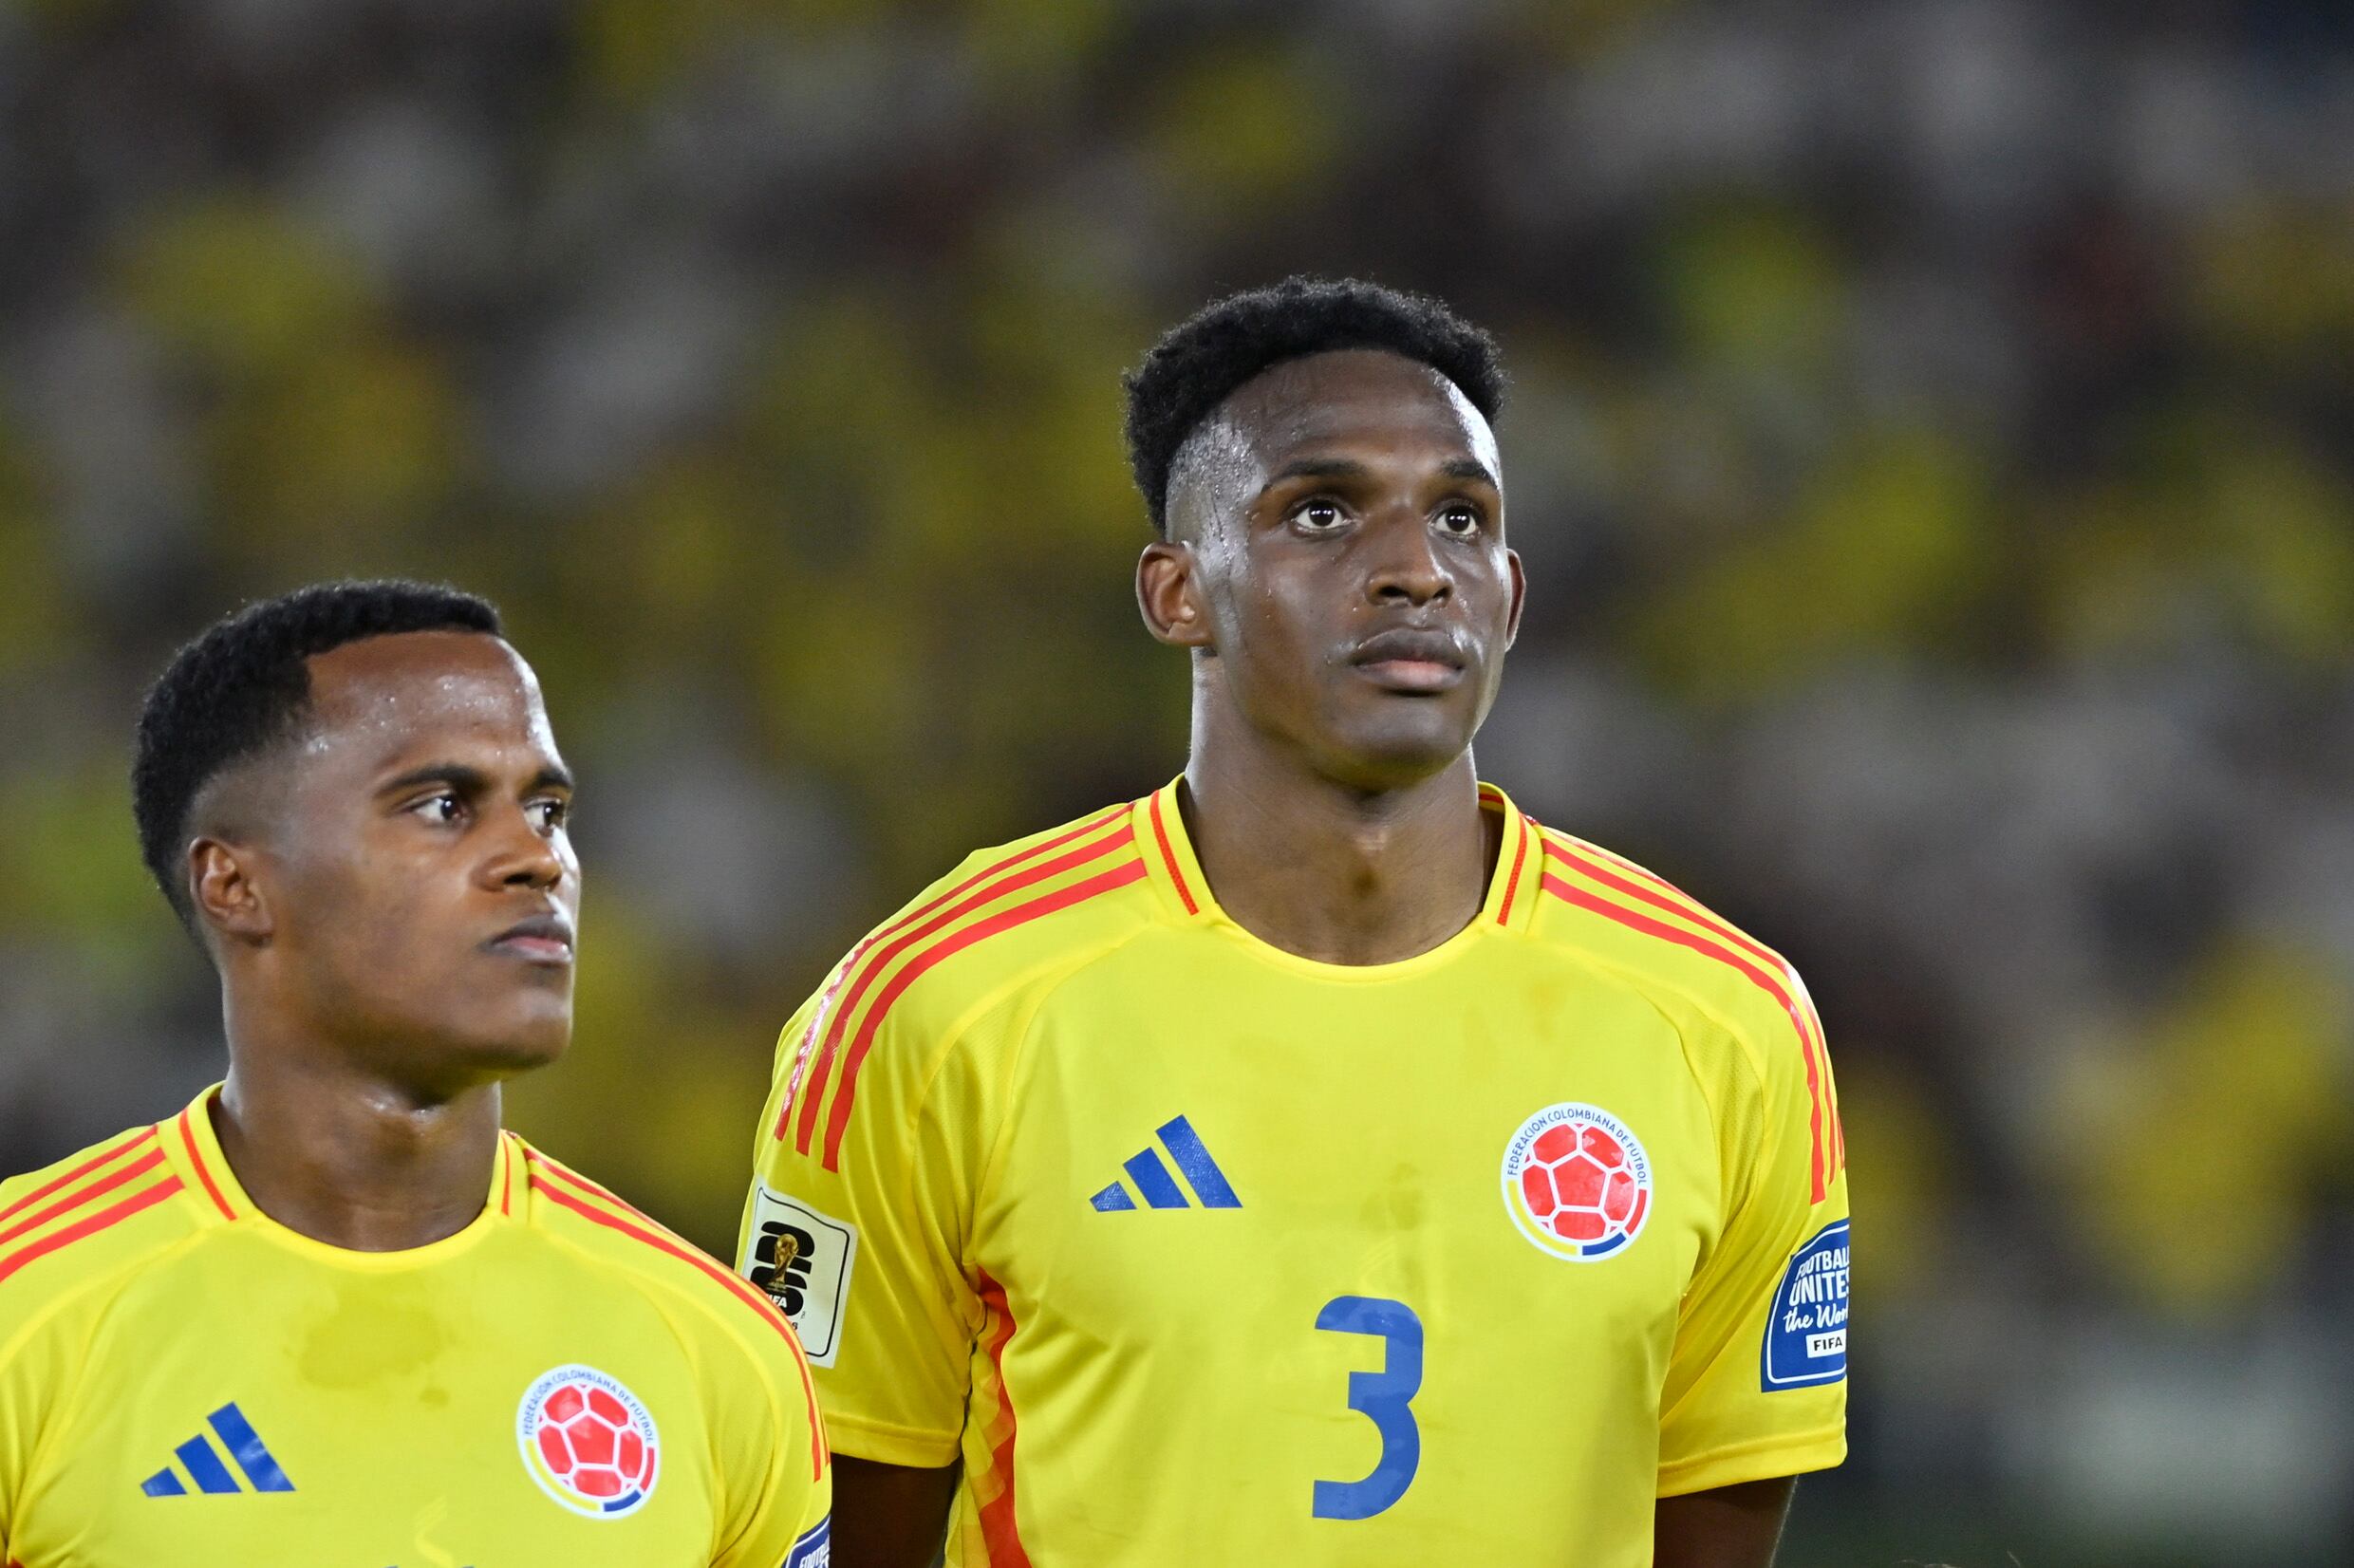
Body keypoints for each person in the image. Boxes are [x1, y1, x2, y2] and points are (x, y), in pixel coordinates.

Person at [736, 278, 1848, 1567]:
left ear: (1513, 595)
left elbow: (1712, 1520)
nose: (1415, 571)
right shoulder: (932, 1005)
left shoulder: (1725, 1020)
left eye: (1461, 518)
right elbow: (827, 1516)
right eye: (1322, 513)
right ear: (1177, 593)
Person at [0, 582, 830, 1567]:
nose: (537, 858)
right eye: (442, 805)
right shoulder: (31, 1308)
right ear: (237, 884)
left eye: (549, 808)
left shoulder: (715, 1347)